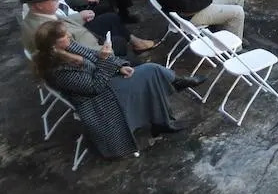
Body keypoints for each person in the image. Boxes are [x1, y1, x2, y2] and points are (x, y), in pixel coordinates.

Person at [32, 20, 204, 159]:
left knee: (149, 73)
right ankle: (172, 89)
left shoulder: (68, 47)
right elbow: (94, 87)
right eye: (64, 36)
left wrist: (118, 67)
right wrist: (105, 61)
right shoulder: (58, 69)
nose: (69, 35)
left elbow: (94, 56)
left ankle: (167, 108)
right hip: (98, 101)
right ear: (53, 45)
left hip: (105, 82)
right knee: (150, 72)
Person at [20, 0, 154, 57]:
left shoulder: (36, 15)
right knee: (118, 41)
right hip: (87, 52)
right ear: (39, 5)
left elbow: (61, 22)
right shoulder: (46, 31)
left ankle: (136, 43)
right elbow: (74, 55)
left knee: (110, 18)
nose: (58, 0)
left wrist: (80, 16)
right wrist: (103, 50)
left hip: (80, 35)